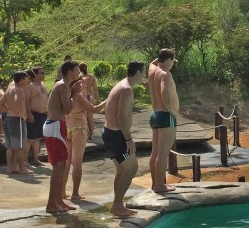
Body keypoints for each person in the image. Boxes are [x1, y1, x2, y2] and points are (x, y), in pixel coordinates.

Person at [101, 62, 146, 218]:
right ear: (138, 72)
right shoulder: (126, 89)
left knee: (122, 169)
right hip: (117, 136)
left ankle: (117, 204)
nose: (145, 75)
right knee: (131, 168)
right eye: (144, 72)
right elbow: (121, 117)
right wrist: (129, 139)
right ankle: (118, 205)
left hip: (109, 133)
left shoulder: (122, 84)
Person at [43, 60, 80, 214]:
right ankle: (52, 204)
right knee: (59, 167)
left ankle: (58, 201)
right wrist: (76, 94)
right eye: (77, 70)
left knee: (61, 165)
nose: (79, 73)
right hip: (55, 126)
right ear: (70, 71)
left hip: (55, 126)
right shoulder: (63, 85)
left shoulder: (63, 86)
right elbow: (68, 109)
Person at [64, 76, 107, 201]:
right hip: (79, 129)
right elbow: (94, 109)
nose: (83, 85)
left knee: (67, 162)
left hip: (69, 128)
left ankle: (62, 191)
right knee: (77, 162)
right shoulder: (78, 97)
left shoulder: (67, 95)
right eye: (80, 84)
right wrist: (108, 100)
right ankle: (75, 193)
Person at [148, 49, 179, 194]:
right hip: (165, 116)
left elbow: (152, 62)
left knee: (155, 152)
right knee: (163, 153)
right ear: (167, 60)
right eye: (172, 61)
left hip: (154, 114)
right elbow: (164, 93)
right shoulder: (165, 74)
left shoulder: (152, 69)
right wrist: (172, 111)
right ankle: (160, 185)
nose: (173, 64)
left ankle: (155, 183)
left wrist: (162, 55)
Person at [1, 71, 33, 175]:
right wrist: (21, 114)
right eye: (26, 79)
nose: (28, 80)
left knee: (10, 146)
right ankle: (22, 168)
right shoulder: (18, 90)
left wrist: (9, 110)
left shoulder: (9, 88)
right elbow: (18, 101)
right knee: (20, 146)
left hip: (9, 118)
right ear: (22, 80)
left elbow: (0, 104)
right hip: (17, 119)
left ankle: (10, 167)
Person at [25, 67, 48, 167]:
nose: (43, 74)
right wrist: (29, 114)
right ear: (36, 74)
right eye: (41, 73)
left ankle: (35, 158)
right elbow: (25, 101)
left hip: (43, 114)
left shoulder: (43, 84)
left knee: (38, 138)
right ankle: (24, 160)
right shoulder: (30, 86)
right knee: (29, 138)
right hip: (34, 114)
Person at [78, 62, 99, 141]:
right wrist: (97, 99)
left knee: (83, 116)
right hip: (91, 96)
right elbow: (95, 89)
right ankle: (91, 135)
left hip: (84, 96)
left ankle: (85, 134)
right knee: (90, 117)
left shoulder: (79, 77)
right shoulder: (91, 76)